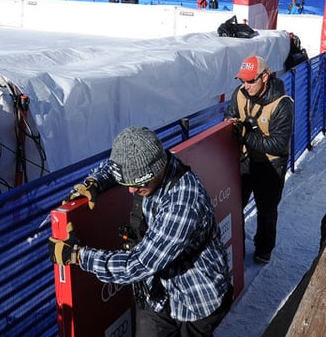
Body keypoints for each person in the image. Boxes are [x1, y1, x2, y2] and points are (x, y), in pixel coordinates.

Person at [51, 126, 233, 335]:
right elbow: (117, 168)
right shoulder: (150, 164)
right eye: (126, 183)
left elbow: (136, 264)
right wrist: (95, 182)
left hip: (196, 298)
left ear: (157, 169)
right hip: (158, 293)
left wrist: (78, 255)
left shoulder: (182, 205)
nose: (131, 190)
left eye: (139, 183)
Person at [224, 56, 294, 265]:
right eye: (243, 80)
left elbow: (278, 144)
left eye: (251, 80)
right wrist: (230, 126)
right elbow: (229, 118)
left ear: (265, 77)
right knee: (236, 207)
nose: (246, 85)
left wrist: (246, 135)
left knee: (266, 211)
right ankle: (237, 247)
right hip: (246, 160)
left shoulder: (283, 104)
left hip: (272, 165)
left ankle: (264, 249)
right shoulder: (239, 94)